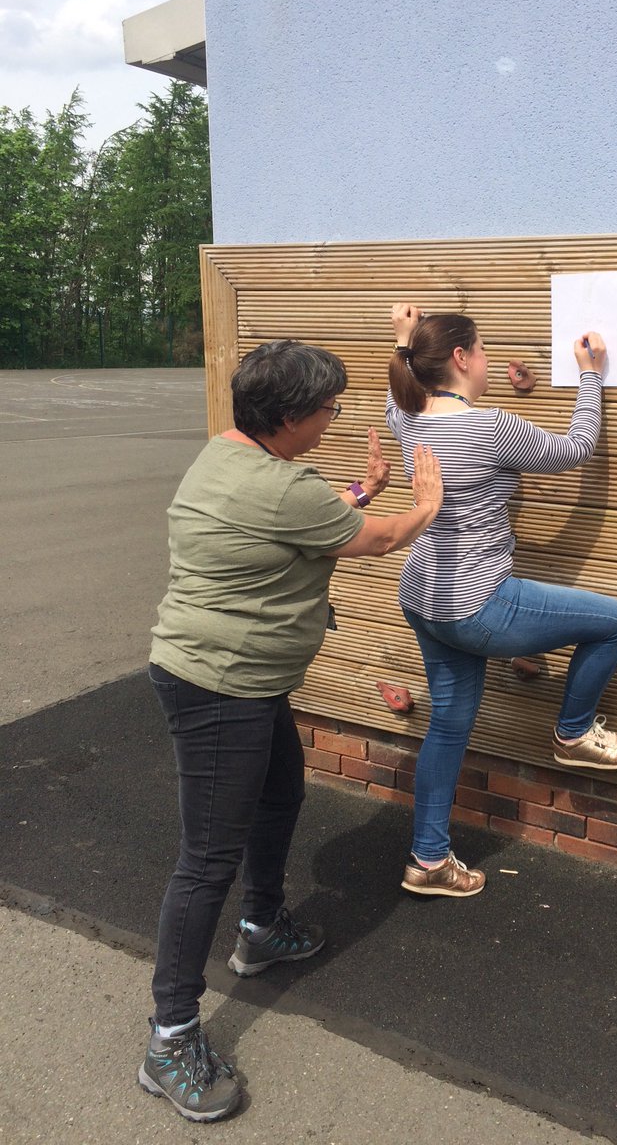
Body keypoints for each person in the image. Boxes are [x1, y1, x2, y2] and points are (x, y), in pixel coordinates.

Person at [140, 339, 442, 1122]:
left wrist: (358, 488)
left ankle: (260, 925)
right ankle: (170, 1036)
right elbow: (370, 539)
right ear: (287, 418)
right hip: (219, 688)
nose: (334, 418)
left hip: (241, 679)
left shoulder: (226, 455)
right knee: (205, 860)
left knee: (280, 795)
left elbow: (297, 520)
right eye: (327, 410)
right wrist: (423, 505)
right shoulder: (284, 488)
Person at [386, 303, 617, 899]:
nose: (484, 361)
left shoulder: (406, 414)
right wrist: (589, 372)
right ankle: (574, 733)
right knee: (614, 622)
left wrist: (403, 340)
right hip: (477, 604)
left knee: (447, 728)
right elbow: (575, 448)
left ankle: (428, 861)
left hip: (422, 597)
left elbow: (397, 386)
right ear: (460, 358)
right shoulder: (489, 426)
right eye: (479, 350)